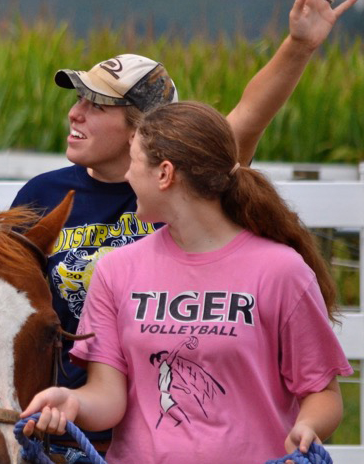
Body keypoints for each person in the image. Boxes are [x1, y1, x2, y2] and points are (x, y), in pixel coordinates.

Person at [10, 0, 357, 459]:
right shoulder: (44, 197)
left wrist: (298, 46)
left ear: (146, 140)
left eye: (97, 104)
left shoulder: (188, 186)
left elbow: (250, 113)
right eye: (78, 98)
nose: (74, 111)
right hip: (78, 424)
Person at [21, 101, 351, 462]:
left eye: (133, 162)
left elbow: (324, 394)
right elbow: (109, 397)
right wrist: (71, 401)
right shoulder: (116, 270)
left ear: (164, 174)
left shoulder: (282, 272)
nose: (128, 177)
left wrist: (308, 427)